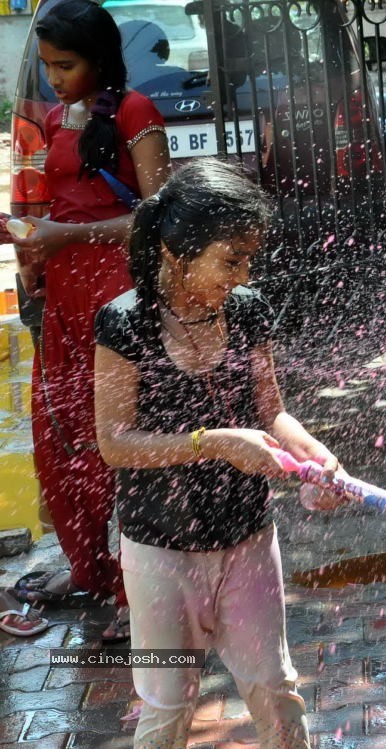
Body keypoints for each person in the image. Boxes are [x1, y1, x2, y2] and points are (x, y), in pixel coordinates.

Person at [93, 158, 342, 749]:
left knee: (276, 689)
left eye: (249, 260)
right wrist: (212, 441)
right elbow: (115, 443)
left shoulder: (249, 309)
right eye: (231, 260)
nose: (244, 275)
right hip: (158, 551)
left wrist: (312, 452)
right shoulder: (125, 324)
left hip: (247, 538)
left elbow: (272, 412)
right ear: (179, 255)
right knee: (166, 705)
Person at [8, 0, 171, 643]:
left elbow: (159, 222)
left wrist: (67, 236)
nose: (53, 79)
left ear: (99, 60)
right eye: (47, 66)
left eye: (65, 65)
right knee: (62, 433)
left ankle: (144, 599)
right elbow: (54, 208)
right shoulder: (52, 118)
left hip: (120, 296)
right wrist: (33, 254)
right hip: (64, 297)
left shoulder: (135, 113)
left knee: (124, 439)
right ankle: (90, 569)